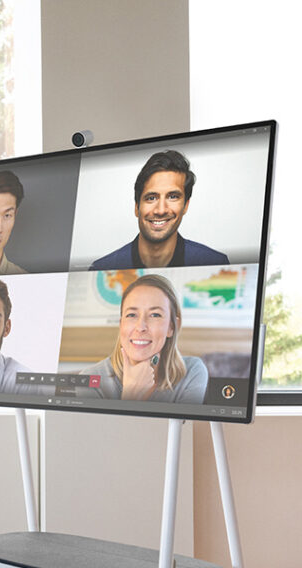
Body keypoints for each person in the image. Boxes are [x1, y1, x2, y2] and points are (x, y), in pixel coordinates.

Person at [90, 150, 229, 269]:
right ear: (137, 207)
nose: (161, 210)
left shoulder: (214, 264)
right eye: (151, 198)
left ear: (186, 205)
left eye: (173, 197)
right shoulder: (103, 268)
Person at [79, 274, 208, 402]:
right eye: (131, 315)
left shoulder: (192, 372)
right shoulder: (90, 380)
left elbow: (183, 423)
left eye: (155, 315)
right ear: (121, 324)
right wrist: (132, 394)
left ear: (172, 327)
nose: (140, 327)